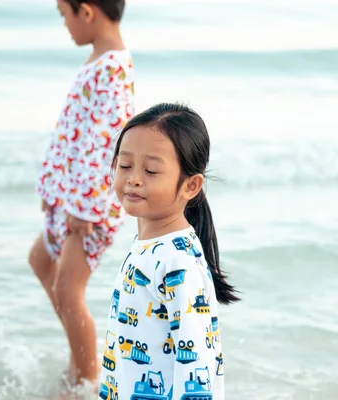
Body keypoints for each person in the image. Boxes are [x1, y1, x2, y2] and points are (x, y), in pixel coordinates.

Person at [98, 103, 239, 399]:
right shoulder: (150, 247)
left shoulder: (176, 261)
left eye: (151, 170)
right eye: (124, 165)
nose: (134, 178)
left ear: (191, 186)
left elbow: (197, 363)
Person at [28, 0, 135, 386]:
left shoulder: (113, 69)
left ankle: (87, 382)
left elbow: (105, 144)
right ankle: (81, 358)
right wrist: (52, 185)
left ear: (86, 12)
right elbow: (73, 132)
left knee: (68, 291)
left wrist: (85, 207)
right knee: (41, 261)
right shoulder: (97, 61)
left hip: (90, 208)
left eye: (64, 15)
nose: (65, 25)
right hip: (71, 198)